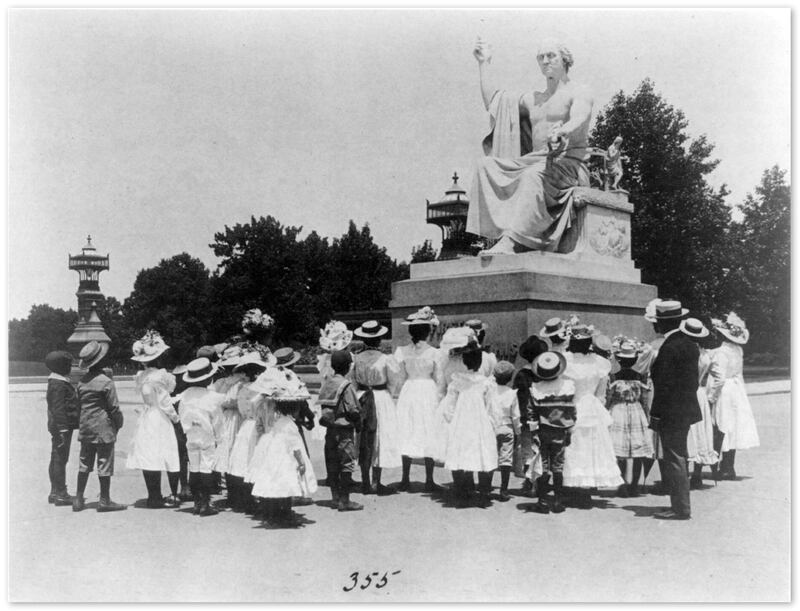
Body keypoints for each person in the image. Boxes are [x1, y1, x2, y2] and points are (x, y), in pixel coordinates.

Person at [468, 38, 593, 254]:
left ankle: (512, 241)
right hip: (536, 161)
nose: (545, 61)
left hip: (568, 164)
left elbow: (580, 117)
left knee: (533, 176)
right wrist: (484, 63)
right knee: (485, 165)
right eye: (540, 57)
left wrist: (563, 130)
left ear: (565, 60)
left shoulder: (579, 91)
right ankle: (499, 235)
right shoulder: (533, 99)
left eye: (550, 55)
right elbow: (495, 103)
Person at [649, 300, 700, 520]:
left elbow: (664, 384)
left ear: (661, 323)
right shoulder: (689, 344)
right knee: (680, 455)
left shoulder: (669, 347)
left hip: (671, 411)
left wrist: (656, 413)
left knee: (674, 457)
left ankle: (680, 508)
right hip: (686, 408)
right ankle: (680, 504)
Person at [561, 324, 623, 503]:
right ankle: (587, 486)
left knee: (575, 447)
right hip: (592, 406)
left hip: (572, 404)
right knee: (592, 446)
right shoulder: (600, 363)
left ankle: (573, 486)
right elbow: (601, 394)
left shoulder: (565, 360)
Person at [248, 366, 317, 527]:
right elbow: (295, 446)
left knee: (273, 484)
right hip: (285, 459)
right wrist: (301, 462)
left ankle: (272, 514)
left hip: (271, 454)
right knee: (286, 486)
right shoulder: (289, 424)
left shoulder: (274, 420)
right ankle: (284, 514)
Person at [126, 330, 182, 509]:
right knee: (167, 452)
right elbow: (165, 402)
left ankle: (154, 495)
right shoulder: (160, 376)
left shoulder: (142, 376)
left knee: (150, 455)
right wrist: (176, 419)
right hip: (159, 417)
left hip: (147, 416)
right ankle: (169, 494)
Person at [440, 338, 498, 508]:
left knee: (460, 450)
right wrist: (493, 423)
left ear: (464, 362)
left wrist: (452, 421)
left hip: (461, 421)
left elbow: (449, 407)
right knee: (483, 450)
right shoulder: (487, 383)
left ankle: (462, 487)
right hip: (480, 421)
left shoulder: (457, 381)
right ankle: (484, 489)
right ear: (480, 362)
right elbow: (492, 407)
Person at [394, 306, 445, 492]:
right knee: (427, 430)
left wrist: (397, 398)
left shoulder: (402, 351)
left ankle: (405, 478)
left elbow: (399, 379)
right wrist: (440, 400)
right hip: (427, 391)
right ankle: (429, 479)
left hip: (409, 390)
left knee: (408, 429)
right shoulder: (434, 353)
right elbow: (439, 380)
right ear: (427, 332)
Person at [351, 320, 403, 495]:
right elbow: (394, 380)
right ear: (379, 339)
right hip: (381, 398)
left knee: (364, 437)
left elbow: (353, 382)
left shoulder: (357, 358)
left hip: (362, 397)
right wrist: (385, 392)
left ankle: (365, 481)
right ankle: (375, 481)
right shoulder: (386, 359)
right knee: (378, 438)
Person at [73, 341, 125, 512]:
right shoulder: (106, 382)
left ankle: (78, 498)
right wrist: (119, 423)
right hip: (104, 428)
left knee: (84, 463)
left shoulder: (81, 382)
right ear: (100, 361)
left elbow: (79, 406)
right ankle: (104, 500)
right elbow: (114, 408)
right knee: (104, 463)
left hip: (86, 427)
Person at [707, 312, 760, 480]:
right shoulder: (738, 350)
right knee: (732, 426)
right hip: (735, 388)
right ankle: (728, 466)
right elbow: (739, 373)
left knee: (721, 426)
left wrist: (711, 397)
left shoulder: (720, 352)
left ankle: (718, 465)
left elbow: (719, 378)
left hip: (725, 390)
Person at [227, 347, 274, 514]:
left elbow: (241, 408)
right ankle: (254, 497)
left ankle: (243, 498)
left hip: (246, 424)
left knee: (243, 460)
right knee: (254, 459)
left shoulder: (242, 388)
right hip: (256, 425)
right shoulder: (260, 390)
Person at [529, 351, 576, 514]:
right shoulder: (567, 387)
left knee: (544, 466)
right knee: (558, 466)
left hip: (543, 431)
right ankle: (557, 501)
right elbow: (571, 411)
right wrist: (570, 428)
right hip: (560, 431)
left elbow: (532, 413)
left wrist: (533, 432)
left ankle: (542, 501)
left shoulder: (536, 389)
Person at [318, 350, 364, 512]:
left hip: (330, 430)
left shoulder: (328, 383)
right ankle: (345, 500)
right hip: (344, 431)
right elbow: (352, 409)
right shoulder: (346, 385)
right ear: (347, 367)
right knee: (346, 463)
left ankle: (335, 498)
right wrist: (358, 424)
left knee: (332, 463)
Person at [179, 358, 225, 516]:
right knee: (207, 468)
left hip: (191, 434)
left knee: (194, 467)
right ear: (208, 378)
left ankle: (197, 502)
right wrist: (220, 439)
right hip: (206, 435)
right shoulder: (212, 397)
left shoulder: (185, 395)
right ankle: (206, 503)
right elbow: (217, 420)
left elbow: (181, 415)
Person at [607, 340, 653, 497]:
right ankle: (634, 485)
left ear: (619, 360)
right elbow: (645, 401)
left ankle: (622, 485)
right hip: (636, 411)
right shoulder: (640, 377)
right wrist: (646, 417)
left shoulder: (614, 377)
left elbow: (609, 398)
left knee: (619, 450)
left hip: (618, 410)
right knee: (637, 450)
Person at [680, 318, 719, 487]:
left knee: (688, 431)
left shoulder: (685, 353)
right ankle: (697, 474)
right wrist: (710, 396)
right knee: (700, 431)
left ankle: (685, 473)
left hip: (686, 392)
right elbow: (719, 377)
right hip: (700, 394)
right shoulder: (705, 355)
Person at [512, 335, 549, 494]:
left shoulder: (522, 374)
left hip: (526, 417)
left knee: (527, 449)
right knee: (540, 450)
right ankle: (539, 481)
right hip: (542, 416)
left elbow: (518, 397)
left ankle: (529, 481)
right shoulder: (545, 373)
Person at [44, 351, 80, 506]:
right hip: (62, 428)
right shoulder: (59, 384)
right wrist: (64, 429)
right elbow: (58, 408)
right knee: (60, 459)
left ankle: (54, 491)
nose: (70, 368)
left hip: (59, 427)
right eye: (68, 365)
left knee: (56, 457)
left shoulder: (56, 381)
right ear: (62, 366)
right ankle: (61, 493)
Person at [488, 361, 520, 502]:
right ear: (510, 378)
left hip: (491, 426)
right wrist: (517, 431)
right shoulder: (512, 393)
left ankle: (486, 486)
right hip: (507, 427)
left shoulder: (489, 391)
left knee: (490, 457)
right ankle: (504, 489)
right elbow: (516, 415)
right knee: (506, 459)